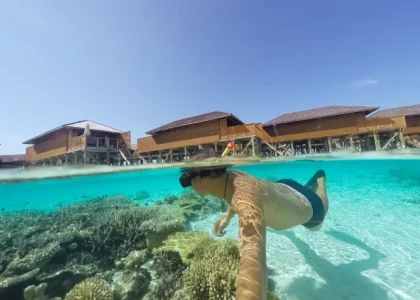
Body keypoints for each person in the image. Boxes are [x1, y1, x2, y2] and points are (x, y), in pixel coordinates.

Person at [178, 148, 329, 300]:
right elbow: (238, 195)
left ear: (199, 180)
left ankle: (320, 184)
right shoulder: (233, 175)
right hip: (285, 185)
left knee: (319, 216)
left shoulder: (243, 198)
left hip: (311, 207)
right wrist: (227, 217)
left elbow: (253, 253)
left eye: (188, 180)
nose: (190, 185)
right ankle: (313, 186)